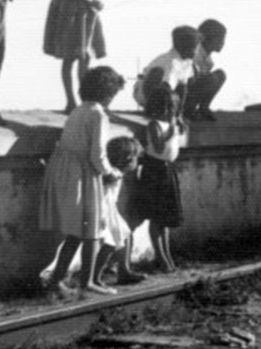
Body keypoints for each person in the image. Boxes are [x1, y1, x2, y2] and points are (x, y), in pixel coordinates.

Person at [38, 66, 126, 296]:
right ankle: (88, 281)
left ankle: (56, 280)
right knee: (92, 230)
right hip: (84, 174)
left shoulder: (78, 110)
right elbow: (97, 154)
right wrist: (110, 172)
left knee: (76, 232)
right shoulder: (98, 114)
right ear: (108, 93)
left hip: (64, 170)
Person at [128, 84, 187, 273]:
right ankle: (161, 259)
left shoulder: (171, 124)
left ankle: (168, 257)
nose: (169, 111)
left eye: (172, 107)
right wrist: (171, 130)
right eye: (167, 107)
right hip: (155, 171)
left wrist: (177, 124)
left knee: (165, 220)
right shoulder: (154, 125)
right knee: (156, 218)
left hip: (167, 170)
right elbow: (159, 147)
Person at [94, 136, 146, 287]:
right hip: (104, 211)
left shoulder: (114, 172)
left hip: (110, 210)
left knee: (126, 235)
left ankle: (124, 271)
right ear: (128, 159)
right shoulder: (114, 174)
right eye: (135, 158)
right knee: (110, 244)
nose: (137, 162)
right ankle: (95, 277)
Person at [133, 25, 199, 123]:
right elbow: (165, 88)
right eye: (195, 48)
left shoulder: (187, 62)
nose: (197, 51)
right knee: (158, 74)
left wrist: (179, 115)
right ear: (185, 48)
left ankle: (172, 113)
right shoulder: (171, 62)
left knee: (187, 83)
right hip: (144, 92)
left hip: (166, 92)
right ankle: (154, 110)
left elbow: (183, 89)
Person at [185, 19, 227, 121]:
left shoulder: (209, 61)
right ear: (208, 38)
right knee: (211, 79)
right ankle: (188, 111)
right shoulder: (193, 53)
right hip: (182, 94)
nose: (223, 43)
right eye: (220, 39)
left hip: (191, 91)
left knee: (221, 75)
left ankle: (203, 108)